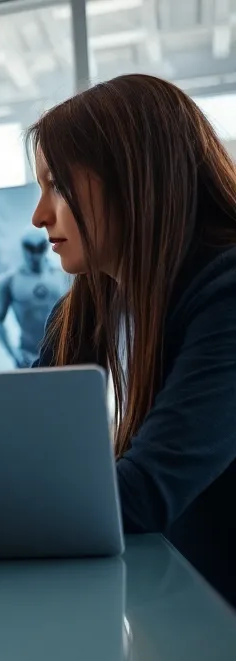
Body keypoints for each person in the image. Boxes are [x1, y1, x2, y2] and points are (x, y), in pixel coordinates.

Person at [28, 73, 236, 606]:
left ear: (131, 177)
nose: (40, 215)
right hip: (159, 610)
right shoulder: (82, 311)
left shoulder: (227, 293)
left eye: (57, 185)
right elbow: (19, 448)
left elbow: (143, 495)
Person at [0, 229, 69, 368]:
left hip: (60, 354)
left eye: (40, 248)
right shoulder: (10, 281)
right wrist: (14, 353)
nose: (35, 254)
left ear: (46, 247)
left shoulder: (64, 276)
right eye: (30, 248)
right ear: (23, 248)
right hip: (26, 356)